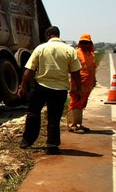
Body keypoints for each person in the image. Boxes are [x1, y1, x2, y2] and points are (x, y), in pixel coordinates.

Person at [17, 26, 82, 155]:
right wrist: (78, 89)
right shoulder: (70, 50)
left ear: (48, 35)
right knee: (54, 117)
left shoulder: (40, 48)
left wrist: (22, 86)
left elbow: (29, 70)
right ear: (58, 35)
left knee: (33, 113)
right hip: (59, 89)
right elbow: (76, 73)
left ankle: (27, 141)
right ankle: (52, 145)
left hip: (41, 87)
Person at [67, 33, 97, 133]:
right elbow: (72, 69)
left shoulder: (91, 54)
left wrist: (94, 81)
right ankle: (72, 125)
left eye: (87, 43)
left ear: (90, 43)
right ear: (80, 43)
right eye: (83, 42)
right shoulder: (76, 53)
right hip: (77, 84)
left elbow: (93, 68)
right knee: (74, 103)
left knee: (82, 104)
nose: (85, 45)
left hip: (88, 85)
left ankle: (78, 124)